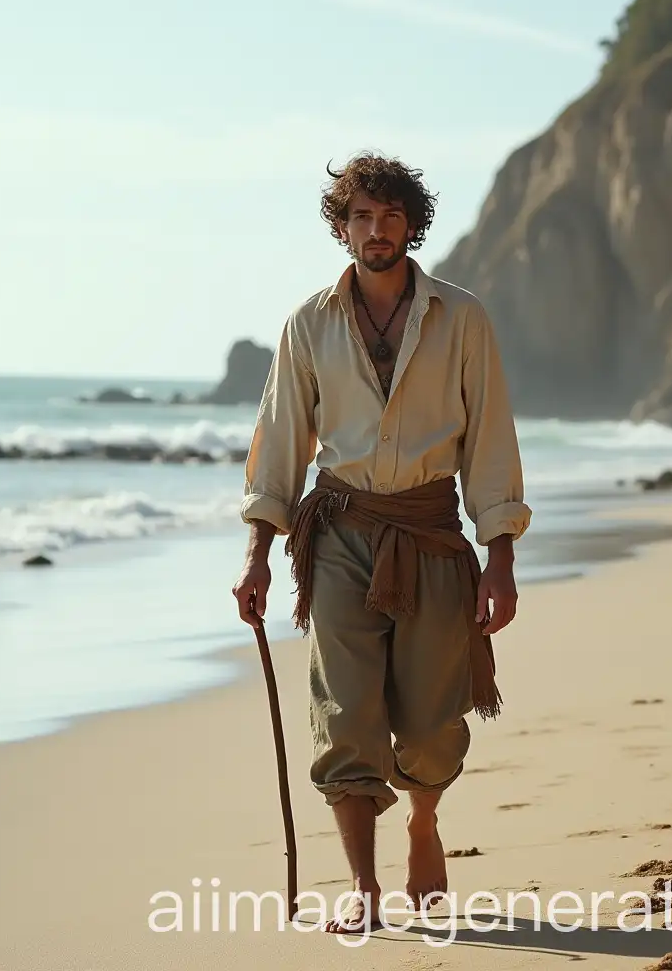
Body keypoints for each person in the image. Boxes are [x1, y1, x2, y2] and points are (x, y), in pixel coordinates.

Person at [232, 152, 531, 934]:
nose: (377, 229)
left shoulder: (461, 317)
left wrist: (499, 554)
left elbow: (491, 440)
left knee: (433, 723)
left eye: (391, 214)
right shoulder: (308, 323)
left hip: (432, 536)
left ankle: (423, 821)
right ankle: (362, 888)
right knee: (346, 712)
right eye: (361, 215)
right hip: (336, 535)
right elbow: (280, 445)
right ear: (342, 226)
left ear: (412, 224)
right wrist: (258, 555)